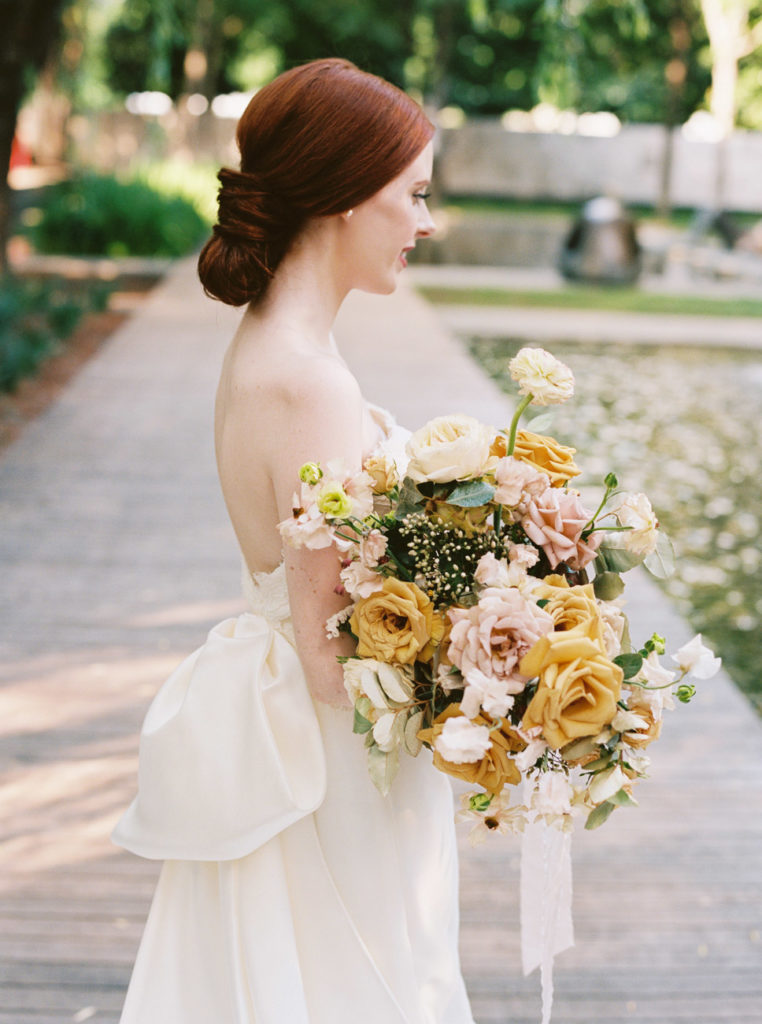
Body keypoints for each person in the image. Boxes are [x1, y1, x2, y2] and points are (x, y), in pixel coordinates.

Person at [112, 58, 475, 1024]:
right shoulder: (312, 381)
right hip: (334, 761)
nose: (426, 222)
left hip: (300, 727)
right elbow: (327, 650)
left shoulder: (270, 343)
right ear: (349, 194)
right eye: (415, 194)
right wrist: (487, 672)